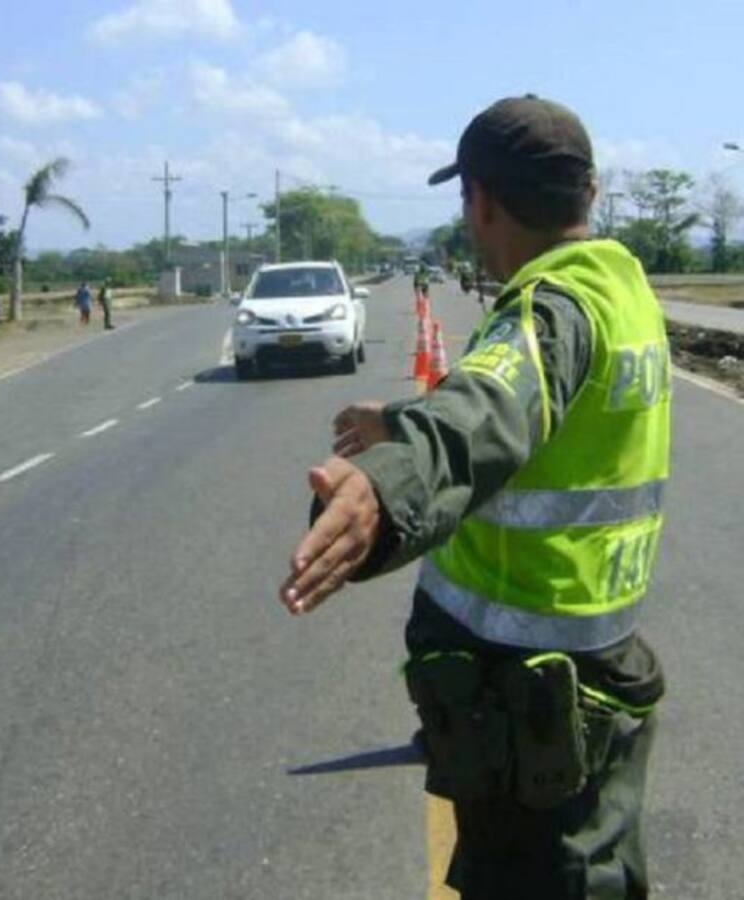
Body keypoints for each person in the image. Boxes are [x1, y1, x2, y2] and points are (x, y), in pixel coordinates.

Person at [279, 95, 669, 899]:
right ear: (589, 193)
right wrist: (395, 420)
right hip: (604, 676)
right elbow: (528, 412)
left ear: (481, 201)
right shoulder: (623, 292)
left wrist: (384, 491)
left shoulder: (546, 310)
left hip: (533, 704)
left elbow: (485, 412)